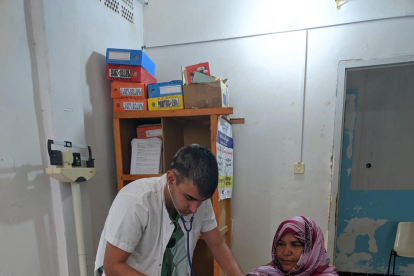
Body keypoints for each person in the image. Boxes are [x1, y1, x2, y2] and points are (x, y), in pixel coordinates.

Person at [94, 144, 244, 276]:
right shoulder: (137, 200)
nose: (194, 209)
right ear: (171, 179)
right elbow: (112, 266)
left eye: (202, 201)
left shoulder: (198, 200)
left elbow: (217, 245)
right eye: (189, 198)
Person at [246, 216, 338, 276]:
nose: (286, 252)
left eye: (295, 245)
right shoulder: (264, 273)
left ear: (313, 251)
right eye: (281, 244)